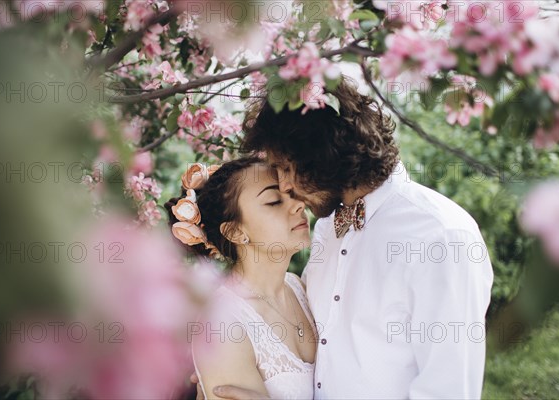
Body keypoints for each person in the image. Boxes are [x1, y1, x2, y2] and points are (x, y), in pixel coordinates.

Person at [208, 77, 494, 399]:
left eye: (286, 168)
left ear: (321, 154)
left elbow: (447, 391)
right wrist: (228, 361)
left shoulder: (439, 236)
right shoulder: (327, 229)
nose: (286, 187)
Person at [165, 157, 317, 400]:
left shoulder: (298, 286)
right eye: (274, 201)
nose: (298, 205)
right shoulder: (222, 326)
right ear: (235, 231)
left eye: (292, 193)